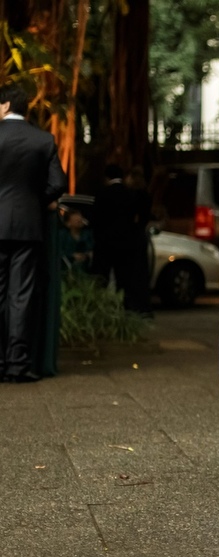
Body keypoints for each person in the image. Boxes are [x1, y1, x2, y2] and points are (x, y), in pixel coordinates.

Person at [0, 83, 67, 383]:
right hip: (28, 226)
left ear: (4, 106)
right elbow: (58, 184)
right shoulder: (43, 140)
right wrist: (34, 201)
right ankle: (18, 364)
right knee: (21, 295)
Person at [91, 163, 152, 316]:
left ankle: (101, 308)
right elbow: (136, 219)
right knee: (124, 279)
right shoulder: (130, 194)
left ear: (107, 177)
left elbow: (95, 219)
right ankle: (123, 309)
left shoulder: (101, 193)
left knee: (102, 279)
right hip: (126, 245)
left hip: (105, 244)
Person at [59, 207, 93, 274]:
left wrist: (87, 254)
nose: (79, 220)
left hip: (85, 266)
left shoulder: (87, 234)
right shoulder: (62, 235)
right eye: (76, 219)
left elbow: (91, 247)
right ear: (68, 223)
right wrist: (72, 256)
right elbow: (59, 251)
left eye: (80, 218)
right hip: (67, 267)